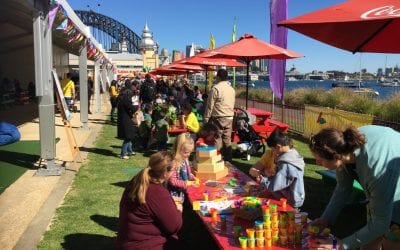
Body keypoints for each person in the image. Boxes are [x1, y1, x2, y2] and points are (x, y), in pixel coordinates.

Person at [309, 125, 400, 250]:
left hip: (396, 197)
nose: (316, 163)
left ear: (336, 157)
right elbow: (343, 188)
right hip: (380, 190)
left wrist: (340, 246)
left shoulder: (376, 170)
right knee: (368, 244)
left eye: (319, 160)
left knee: (390, 243)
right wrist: (326, 219)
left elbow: (380, 224)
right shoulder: (342, 147)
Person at [116, 151, 185, 250]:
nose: (175, 172)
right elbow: (173, 227)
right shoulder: (157, 192)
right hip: (144, 245)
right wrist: (179, 209)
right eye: (175, 170)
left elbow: (150, 204)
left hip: (127, 241)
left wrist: (168, 201)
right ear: (166, 172)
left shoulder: (138, 181)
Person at [253, 129, 305, 208]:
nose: (273, 152)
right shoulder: (293, 154)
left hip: (291, 199)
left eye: (273, 149)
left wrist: (263, 180)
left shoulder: (286, 164)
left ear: (278, 147)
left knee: (287, 215)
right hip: (293, 195)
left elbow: (276, 184)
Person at [203, 68, 235, 162]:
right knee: (227, 139)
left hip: (218, 117)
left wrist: (206, 119)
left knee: (217, 138)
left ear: (218, 77)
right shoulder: (231, 89)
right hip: (229, 117)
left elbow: (210, 106)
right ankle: (229, 159)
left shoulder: (215, 88)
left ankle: (217, 158)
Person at [117, 80, 136, 159]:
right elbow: (131, 107)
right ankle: (123, 154)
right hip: (126, 118)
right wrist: (137, 107)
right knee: (128, 136)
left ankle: (130, 151)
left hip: (124, 118)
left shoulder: (121, 98)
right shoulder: (126, 100)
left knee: (130, 135)